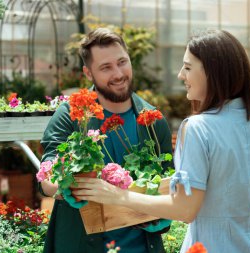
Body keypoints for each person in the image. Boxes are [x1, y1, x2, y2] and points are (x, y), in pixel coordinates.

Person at [74, 29, 250, 253]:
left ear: (212, 72)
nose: (180, 75)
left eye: (187, 67)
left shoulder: (198, 128)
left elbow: (184, 210)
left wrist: (118, 196)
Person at [39, 27, 173, 253]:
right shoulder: (71, 115)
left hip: (142, 247)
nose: (119, 73)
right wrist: (67, 186)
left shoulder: (152, 120)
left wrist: (165, 213)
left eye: (122, 62)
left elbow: (169, 181)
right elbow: (46, 176)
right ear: (88, 73)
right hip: (82, 245)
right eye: (106, 67)